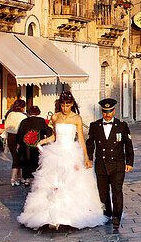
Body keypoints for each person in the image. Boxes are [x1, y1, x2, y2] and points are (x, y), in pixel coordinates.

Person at [19, 92, 106, 230]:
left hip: (71, 152)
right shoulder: (55, 117)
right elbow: (54, 136)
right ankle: (51, 216)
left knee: (70, 183)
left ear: (72, 104)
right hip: (55, 153)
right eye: (63, 105)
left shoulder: (76, 118)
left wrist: (87, 157)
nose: (65, 108)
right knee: (53, 182)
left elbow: (81, 140)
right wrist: (41, 141)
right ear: (60, 104)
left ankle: (68, 216)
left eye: (68, 105)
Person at [86, 98, 134, 232]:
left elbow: (128, 145)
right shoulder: (94, 126)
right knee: (103, 193)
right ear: (102, 111)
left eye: (110, 111)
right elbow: (90, 144)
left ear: (114, 111)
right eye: (105, 112)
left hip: (118, 164)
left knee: (117, 191)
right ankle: (107, 213)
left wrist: (129, 162)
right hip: (101, 164)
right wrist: (89, 159)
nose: (107, 115)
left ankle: (117, 217)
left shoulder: (122, 125)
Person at [17, 105, 52, 183]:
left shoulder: (24, 121)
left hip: (26, 145)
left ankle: (26, 179)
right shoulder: (41, 121)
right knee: (37, 161)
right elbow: (48, 131)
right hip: (38, 144)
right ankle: (36, 179)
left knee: (27, 161)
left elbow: (20, 133)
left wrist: (19, 143)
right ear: (38, 112)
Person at [5, 99, 28, 186]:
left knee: (15, 156)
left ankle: (19, 177)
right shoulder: (23, 116)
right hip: (19, 137)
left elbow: (6, 126)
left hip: (10, 137)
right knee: (18, 159)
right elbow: (24, 129)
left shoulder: (10, 114)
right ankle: (13, 179)